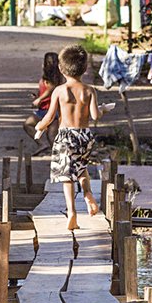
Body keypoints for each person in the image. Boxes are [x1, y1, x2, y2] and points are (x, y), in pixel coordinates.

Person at [35, 44, 111, 230]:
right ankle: (88, 194)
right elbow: (95, 115)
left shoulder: (60, 91)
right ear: (84, 69)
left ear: (61, 69)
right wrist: (102, 109)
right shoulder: (89, 90)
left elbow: (50, 116)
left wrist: (40, 126)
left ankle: (72, 213)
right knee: (81, 167)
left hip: (65, 136)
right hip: (84, 135)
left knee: (66, 176)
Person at [23, 52, 65, 149]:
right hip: (54, 110)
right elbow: (47, 90)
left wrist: (39, 99)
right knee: (51, 136)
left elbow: (51, 88)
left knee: (28, 124)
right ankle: (59, 155)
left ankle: (41, 144)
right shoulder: (57, 76)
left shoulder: (51, 77)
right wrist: (37, 95)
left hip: (46, 110)